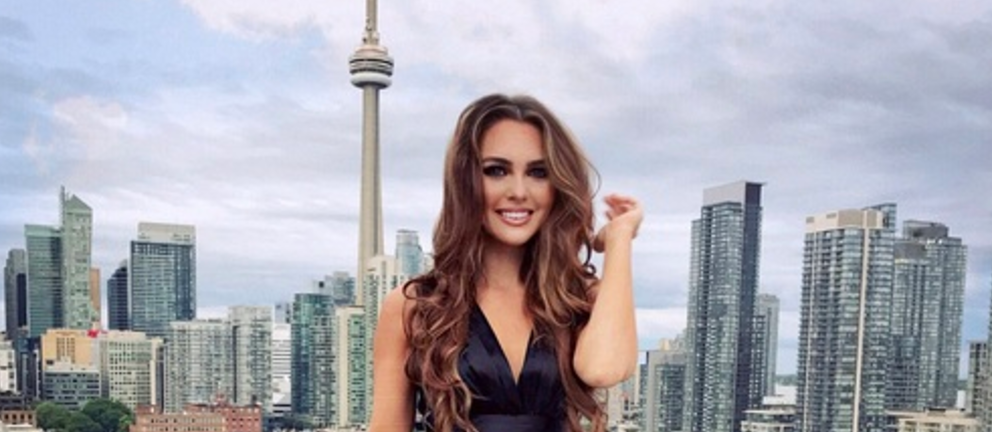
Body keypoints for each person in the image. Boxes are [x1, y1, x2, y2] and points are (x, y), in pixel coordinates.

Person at [368, 93, 642, 432]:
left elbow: (604, 370)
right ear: (466, 181)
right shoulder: (414, 306)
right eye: (496, 171)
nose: (519, 191)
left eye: (538, 172)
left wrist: (619, 239)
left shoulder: (576, 298)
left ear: (556, 186)